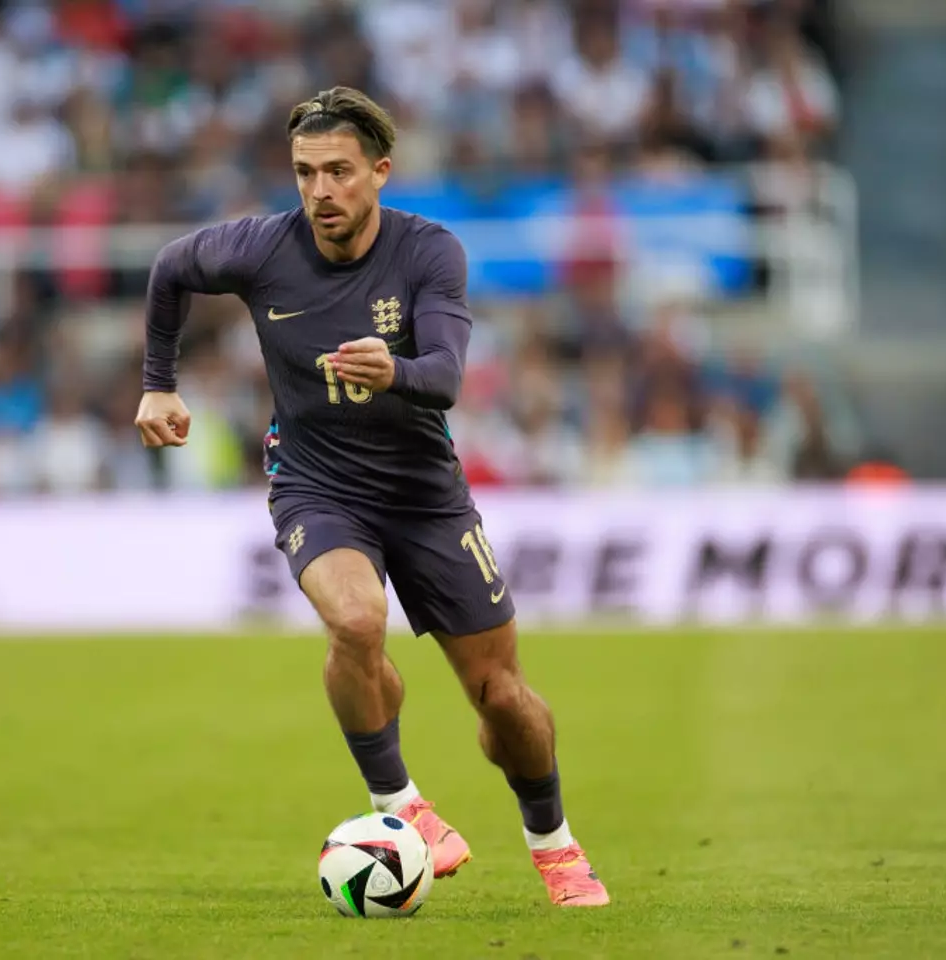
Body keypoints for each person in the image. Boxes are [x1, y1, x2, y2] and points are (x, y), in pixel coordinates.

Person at [134, 86, 609, 907]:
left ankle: (554, 843)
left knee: (505, 701)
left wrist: (396, 371)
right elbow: (171, 269)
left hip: (427, 495)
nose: (321, 191)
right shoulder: (259, 246)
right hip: (316, 484)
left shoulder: (429, 253)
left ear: (380, 172)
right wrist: (157, 386)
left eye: (339, 172)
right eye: (305, 173)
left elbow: (449, 378)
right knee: (355, 622)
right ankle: (402, 808)